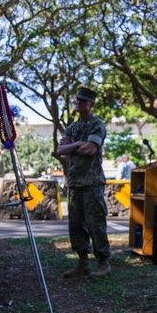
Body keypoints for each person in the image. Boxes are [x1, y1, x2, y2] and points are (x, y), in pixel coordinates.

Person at [54, 87, 111, 277]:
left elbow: (90, 150)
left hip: (92, 182)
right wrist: (78, 144)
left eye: (82, 101)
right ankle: (83, 262)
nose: (77, 104)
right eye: (77, 100)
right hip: (75, 182)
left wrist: (74, 146)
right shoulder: (72, 127)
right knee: (76, 224)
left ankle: (103, 262)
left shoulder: (97, 125)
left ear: (90, 104)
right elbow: (60, 150)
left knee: (95, 223)